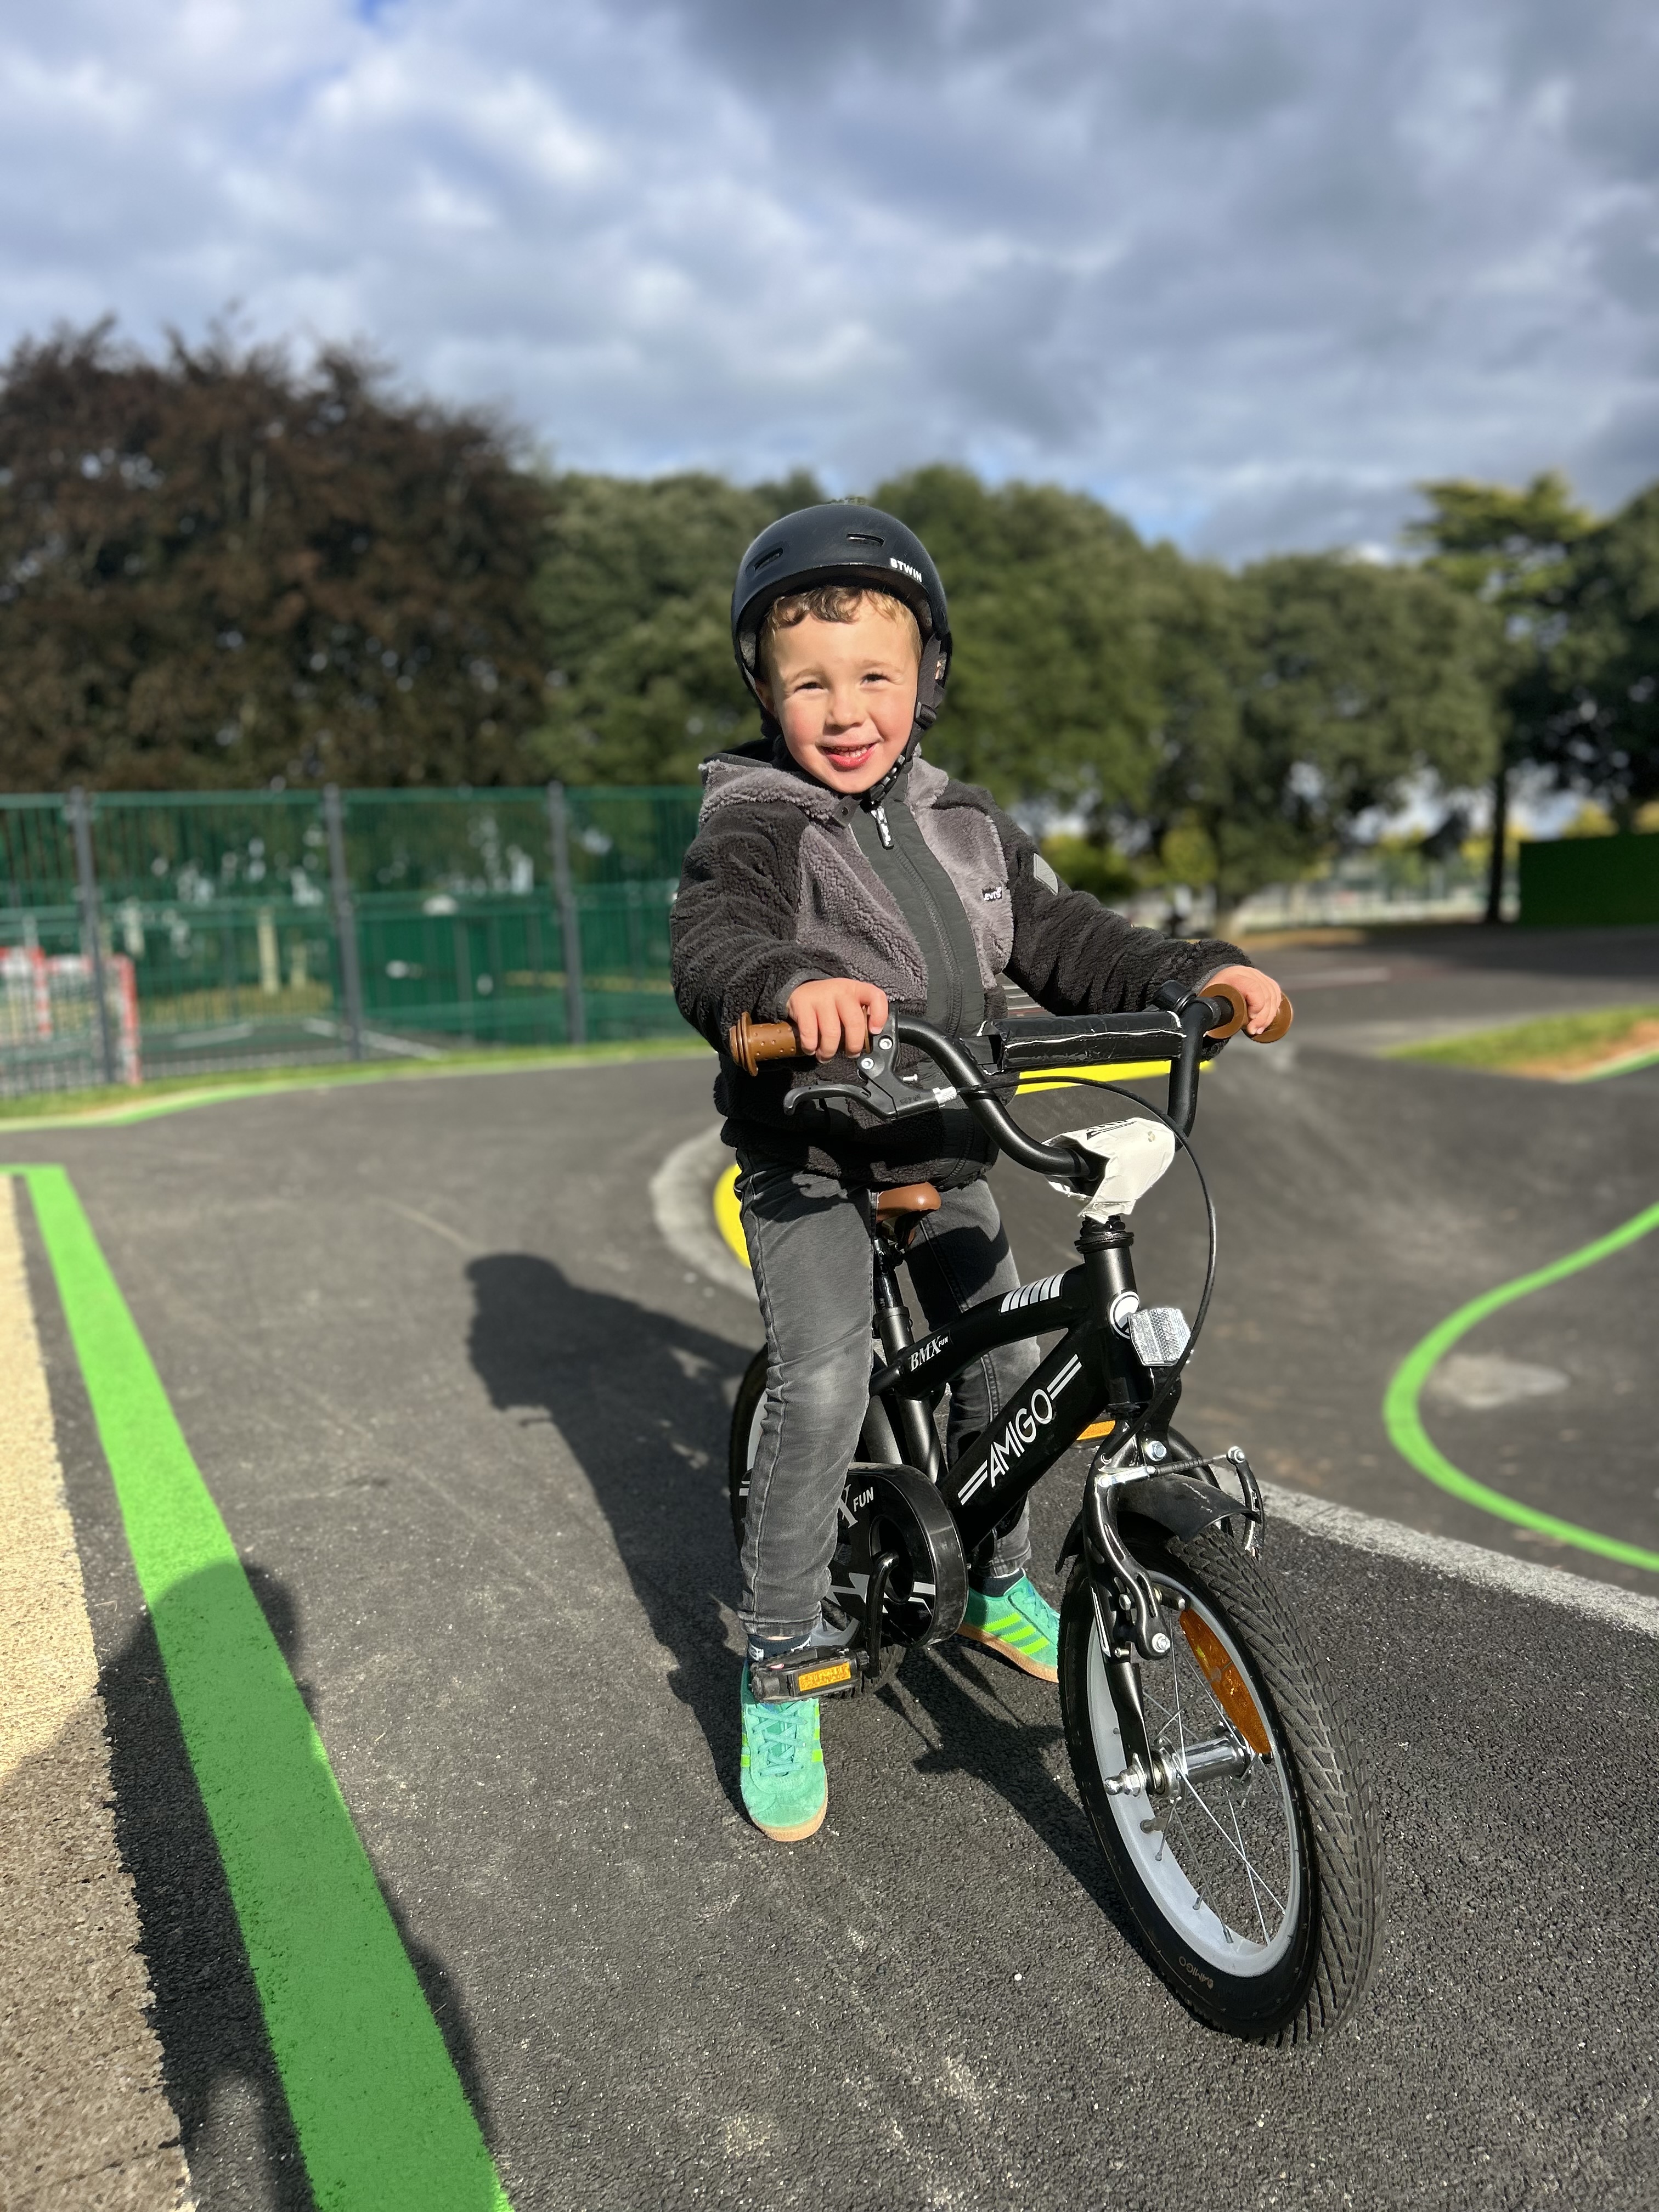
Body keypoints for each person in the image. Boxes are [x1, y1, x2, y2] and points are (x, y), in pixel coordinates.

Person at [671, 504, 1284, 1844]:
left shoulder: (961, 820)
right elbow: (717, 938)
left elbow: (1063, 937)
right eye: (809, 684)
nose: (845, 710)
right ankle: (780, 1658)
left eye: (874, 677)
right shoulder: (757, 820)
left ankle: (998, 1574)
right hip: (812, 1153)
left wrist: (1195, 974)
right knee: (827, 1384)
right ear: (765, 693)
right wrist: (789, 985)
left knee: (1005, 1360)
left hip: (947, 1135)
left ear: (927, 676)